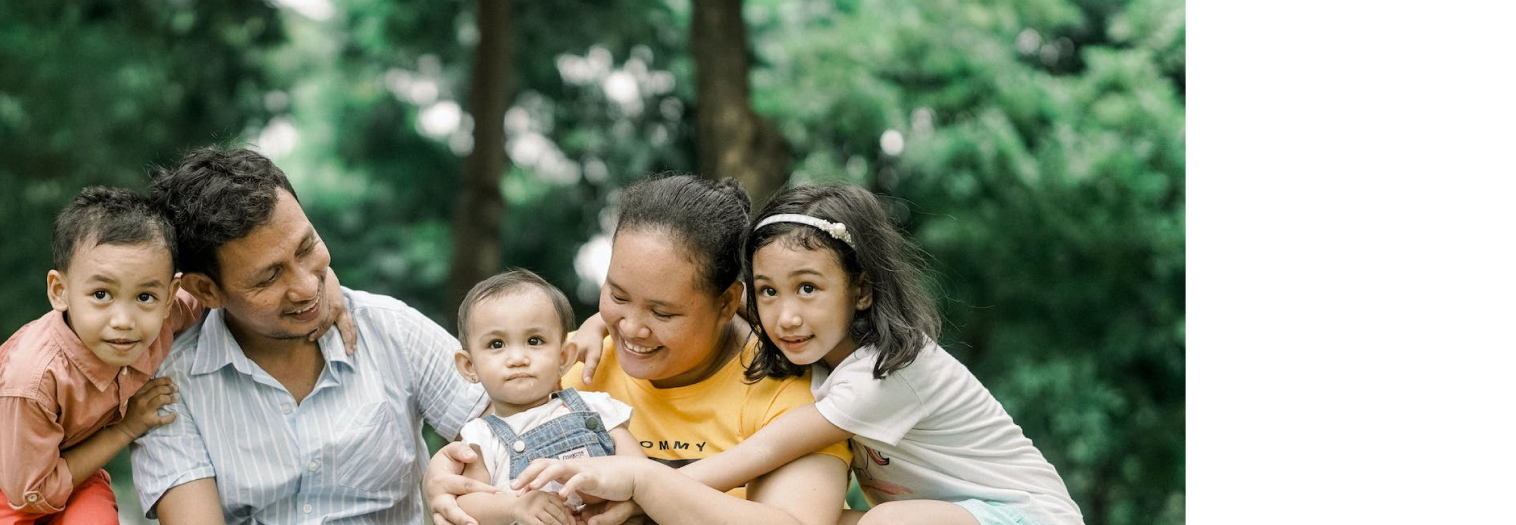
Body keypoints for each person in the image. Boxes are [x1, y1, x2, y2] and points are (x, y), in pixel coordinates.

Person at [520, 184, 1085, 525]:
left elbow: (760, 451)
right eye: (769, 290)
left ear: (861, 289)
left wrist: (642, 486)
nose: (785, 315)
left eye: (808, 288)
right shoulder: (807, 342)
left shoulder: (885, 371)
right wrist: (599, 323)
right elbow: (686, 309)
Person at [425, 175, 853, 525]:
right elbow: (492, 466)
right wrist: (446, 482)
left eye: (662, 313)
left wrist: (645, 482)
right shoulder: (581, 366)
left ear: (727, 303)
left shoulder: (787, 393)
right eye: (617, 294)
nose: (629, 328)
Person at [129, 146, 489, 524]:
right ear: (206, 291)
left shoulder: (390, 330)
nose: (304, 287)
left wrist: (464, 473)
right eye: (269, 277)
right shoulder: (170, 388)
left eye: (307, 247)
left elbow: (513, 421)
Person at [0, 187, 198, 525]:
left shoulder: (166, 318)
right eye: (101, 294)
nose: (124, 321)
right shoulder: (32, 378)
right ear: (59, 292)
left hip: (73, 470)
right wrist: (126, 428)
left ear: (169, 297)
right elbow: (28, 494)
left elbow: (223, 293)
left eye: (145, 296)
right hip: (12, 482)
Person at [451, 268, 643, 525]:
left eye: (534, 340)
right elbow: (468, 502)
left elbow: (642, 472)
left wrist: (612, 495)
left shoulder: (594, 408)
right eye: (497, 344)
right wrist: (516, 507)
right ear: (469, 366)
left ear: (564, 358)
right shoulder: (482, 436)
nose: (518, 358)